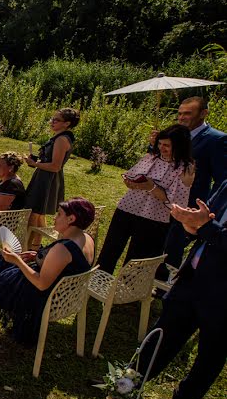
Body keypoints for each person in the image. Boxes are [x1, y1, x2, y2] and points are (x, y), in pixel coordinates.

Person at [135, 180, 227, 399]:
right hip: (192, 279)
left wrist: (205, 226)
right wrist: (190, 224)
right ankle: (132, 380)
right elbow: (205, 217)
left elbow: (212, 228)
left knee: (211, 354)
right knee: (164, 331)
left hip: (223, 298)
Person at [0, 198, 95, 344]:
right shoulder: (87, 239)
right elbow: (66, 265)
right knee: (2, 258)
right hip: (65, 295)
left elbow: (41, 284)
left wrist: (17, 260)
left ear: (71, 219)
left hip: (43, 296)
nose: (55, 218)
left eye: (59, 214)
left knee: (1, 263)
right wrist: (38, 256)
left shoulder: (63, 248)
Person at [97, 124, 194, 274]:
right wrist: (130, 182)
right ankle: (97, 280)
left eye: (167, 145)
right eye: (160, 144)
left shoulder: (185, 169)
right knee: (111, 248)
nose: (162, 148)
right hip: (127, 208)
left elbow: (175, 204)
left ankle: (127, 294)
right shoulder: (151, 157)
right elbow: (132, 175)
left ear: (180, 146)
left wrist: (151, 187)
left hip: (154, 218)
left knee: (137, 260)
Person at [158, 96, 227, 275]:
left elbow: (222, 180)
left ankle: (162, 286)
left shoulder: (216, 140)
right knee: (155, 241)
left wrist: (210, 208)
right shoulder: (175, 135)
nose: (181, 118)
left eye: (187, 113)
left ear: (203, 113)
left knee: (172, 247)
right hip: (162, 198)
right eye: (180, 113)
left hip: (188, 204)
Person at [24, 108, 79, 250]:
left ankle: (28, 247)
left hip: (48, 180)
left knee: (34, 212)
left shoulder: (62, 139)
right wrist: (37, 161)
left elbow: (55, 166)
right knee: (39, 213)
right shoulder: (59, 137)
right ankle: (35, 247)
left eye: (57, 120)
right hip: (44, 176)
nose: (52, 122)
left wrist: (35, 164)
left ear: (67, 124)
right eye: (52, 119)